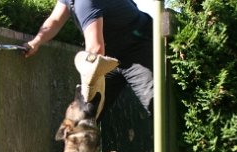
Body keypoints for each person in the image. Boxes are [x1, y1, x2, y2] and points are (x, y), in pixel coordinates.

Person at [24, 0, 153, 117]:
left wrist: (86, 88)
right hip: (108, 57)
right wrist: (36, 42)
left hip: (140, 49)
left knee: (157, 107)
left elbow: (95, 49)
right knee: (81, 116)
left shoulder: (86, 2)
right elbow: (55, 21)